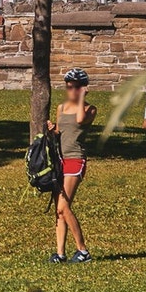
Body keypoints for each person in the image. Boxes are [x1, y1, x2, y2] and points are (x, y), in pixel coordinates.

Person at [50, 68, 96, 264]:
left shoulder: (89, 109)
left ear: (84, 88)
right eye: (69, 86)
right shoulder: (61, 108)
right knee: (58, 210)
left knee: (64, 206)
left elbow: (79, 120)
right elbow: (59, 132)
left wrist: (80, 99)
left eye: (77, 87)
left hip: (75, 159)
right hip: (60, 160)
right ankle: (60, 253)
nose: (72, 90)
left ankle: (83, 251)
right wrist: (52, 130)